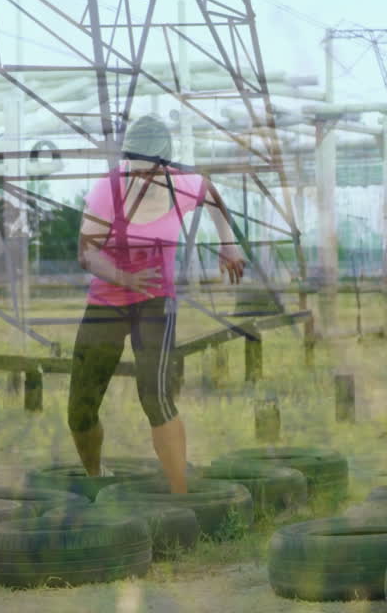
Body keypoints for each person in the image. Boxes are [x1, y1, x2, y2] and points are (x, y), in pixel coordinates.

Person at [69, 114, 246, 495]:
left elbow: (211, 193)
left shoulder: (184, 184)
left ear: (166, 165)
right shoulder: (107, 190)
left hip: (156, 301)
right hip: (107, 300)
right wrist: (125, 277)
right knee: (80, 407)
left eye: (149, 170)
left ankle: (180, 498)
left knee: (155, 394)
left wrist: (228, 241)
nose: (141, 177)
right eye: (134, 167)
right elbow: (86, 253)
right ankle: (96, 480)